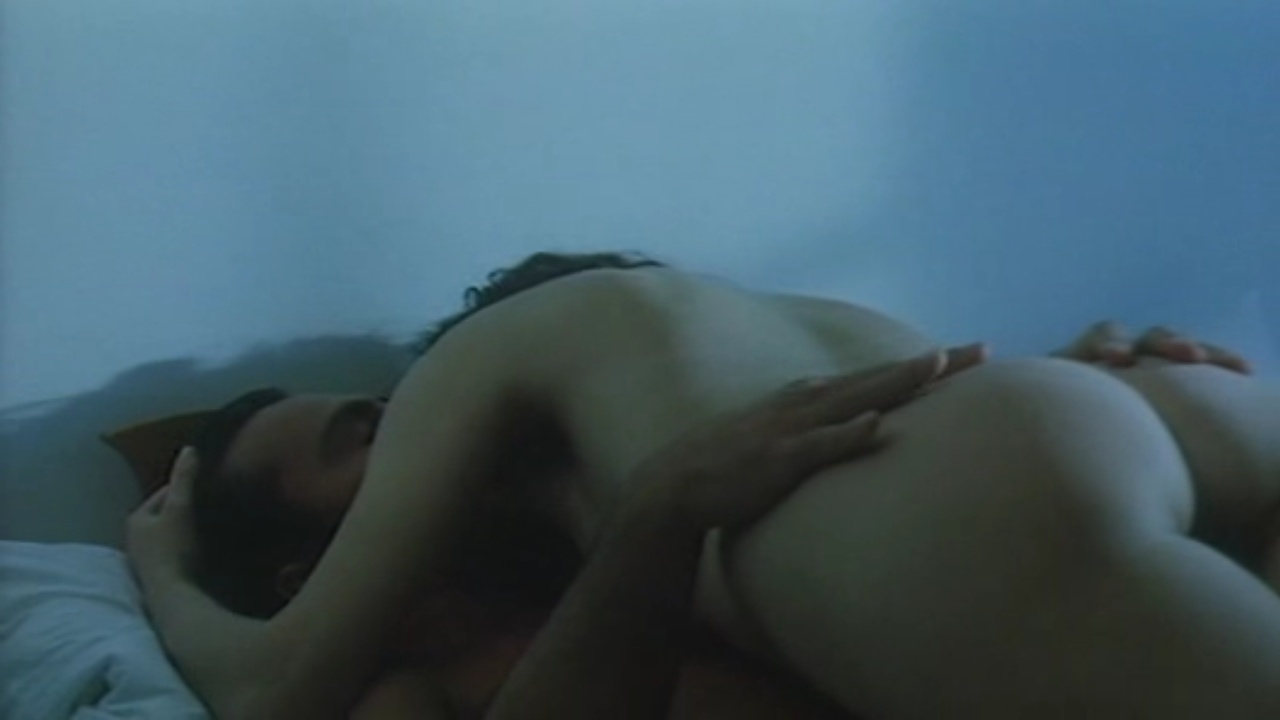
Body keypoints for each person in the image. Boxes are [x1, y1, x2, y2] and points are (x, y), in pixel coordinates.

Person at [128, 250, 1280, 719]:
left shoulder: (472, 373)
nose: (395, 432)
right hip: (1170, 405)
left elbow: (274, 691)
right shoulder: (718, 350)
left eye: (377, 416)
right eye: (351, 443)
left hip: (987, 485)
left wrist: (162, 565)